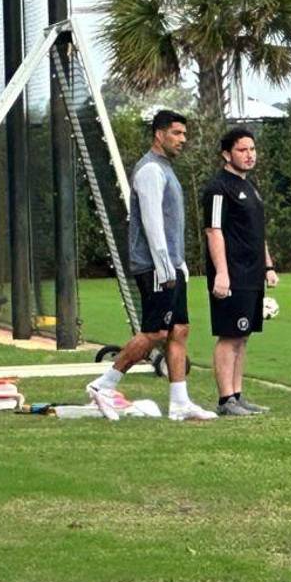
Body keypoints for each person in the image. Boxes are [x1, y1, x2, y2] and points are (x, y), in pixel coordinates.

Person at [85, 110, 216, 422]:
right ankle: (104, 384)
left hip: (171, 265)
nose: (182, 140)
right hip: (156, 267)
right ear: (159, 135)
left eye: (184, 134)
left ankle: (180, 402)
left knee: (179, 330)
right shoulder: (149, 170)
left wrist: (179, 264)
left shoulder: (166, 169)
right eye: (176, 133)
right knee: (155, 331)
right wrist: (164, 264)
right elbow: (151, 221)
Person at [201, 128, 276, 416]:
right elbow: (213, 230)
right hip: (232, 274)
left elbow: (258, 232)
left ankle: (237, 394)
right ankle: (225, 400)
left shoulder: (251, 187)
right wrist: (222, 273)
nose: (249, 154)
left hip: (253, 274)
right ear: (226, 154)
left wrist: (268, 265)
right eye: (243, 150)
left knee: (243, 336)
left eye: (252, 149)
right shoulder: (219, 188)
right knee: (229, 335)